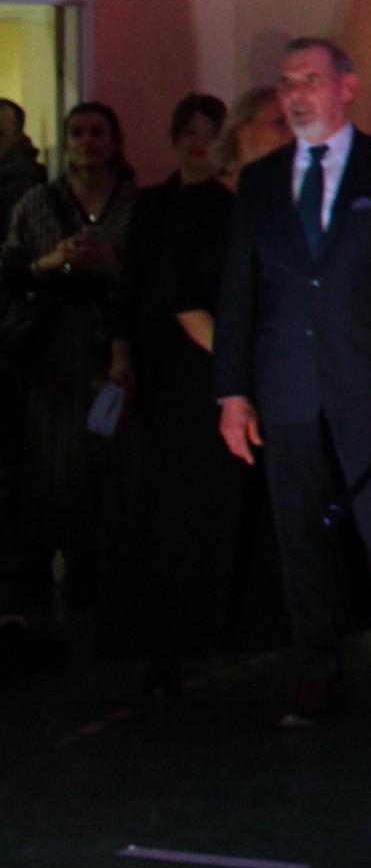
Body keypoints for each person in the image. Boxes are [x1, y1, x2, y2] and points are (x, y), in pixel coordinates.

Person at [213, 39, 371, 725]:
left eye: (311, 80)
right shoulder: (261, 181)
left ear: (347, 85)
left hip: (370, 380)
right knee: (299, 535)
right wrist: (232, 392)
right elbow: (238, 292)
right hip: (286, 381)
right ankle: (317, 671)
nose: (296, 95)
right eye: (287, 83)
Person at [100, 94, 282, 695]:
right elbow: (178, 298)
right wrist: (238, 365)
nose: (288, 132)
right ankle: (166, 648)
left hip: (271, 374)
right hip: (199, 378)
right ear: (244, 131)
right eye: (276, 122)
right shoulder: (195, 207)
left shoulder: (285, 204)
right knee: (185, 511)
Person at [3, 101, 135, 615]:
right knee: (55, 459)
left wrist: (111, 267)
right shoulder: (38, 202)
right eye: (77, 133)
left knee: (115, 458)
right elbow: (11, 270)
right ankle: (61, 571)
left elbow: (153, 277)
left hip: (117, 344)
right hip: (54, 347)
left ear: (115, 141)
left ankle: (109, 573)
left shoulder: (136, 204)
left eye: (97, 132)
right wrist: (52, 262)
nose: (86, 142)